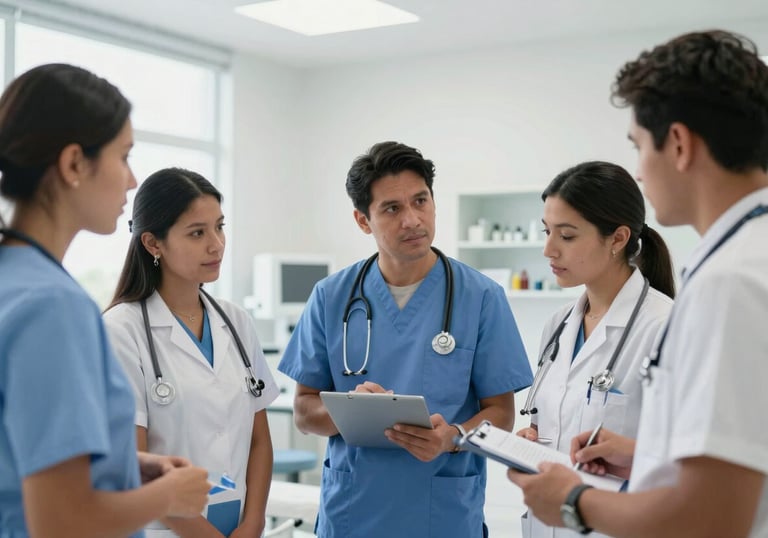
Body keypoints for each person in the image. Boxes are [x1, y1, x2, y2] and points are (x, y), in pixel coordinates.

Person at [508, 30, 768, 537]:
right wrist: (645, 456)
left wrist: (572, 502)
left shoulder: (732, 281)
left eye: (638, 146)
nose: (640, 173)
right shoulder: (748, 257)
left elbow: (712, 518)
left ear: (677, 144)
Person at [277, 140, 534, 537]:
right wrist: (350, 413)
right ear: (363, 220)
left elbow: (500, 412)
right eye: (392, 208)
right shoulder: (330, 297)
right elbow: (304, 411)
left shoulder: (480, 297)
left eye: (421, 201)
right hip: (353, 511)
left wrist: (451, 437)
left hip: (441, 513)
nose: (412, 219)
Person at [0, 64, 210, 538]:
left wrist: (122, 463)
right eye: (123, 155)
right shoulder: (53, 307)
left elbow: (15, 446)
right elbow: (61, 523)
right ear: (75, 164)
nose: (132, 180)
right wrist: (169, 497)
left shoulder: (12, 280)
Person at [103, 167, 280, 537]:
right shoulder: (122, 331)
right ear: (153, 243)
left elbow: (260, 439)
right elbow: (132, 465)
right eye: (197, 233)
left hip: (239, 523)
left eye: (219, 226)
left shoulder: (235, 321)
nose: (216, 244)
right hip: (165, 528)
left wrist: (254, 522)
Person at [516, 161, 675, 538]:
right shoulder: (559, 325)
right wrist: (532, 442)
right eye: (547, 232)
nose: (548, 250)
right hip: (547, 524)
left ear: (617, 239)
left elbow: (693, 460)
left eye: (567, 236)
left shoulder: (666, 325)